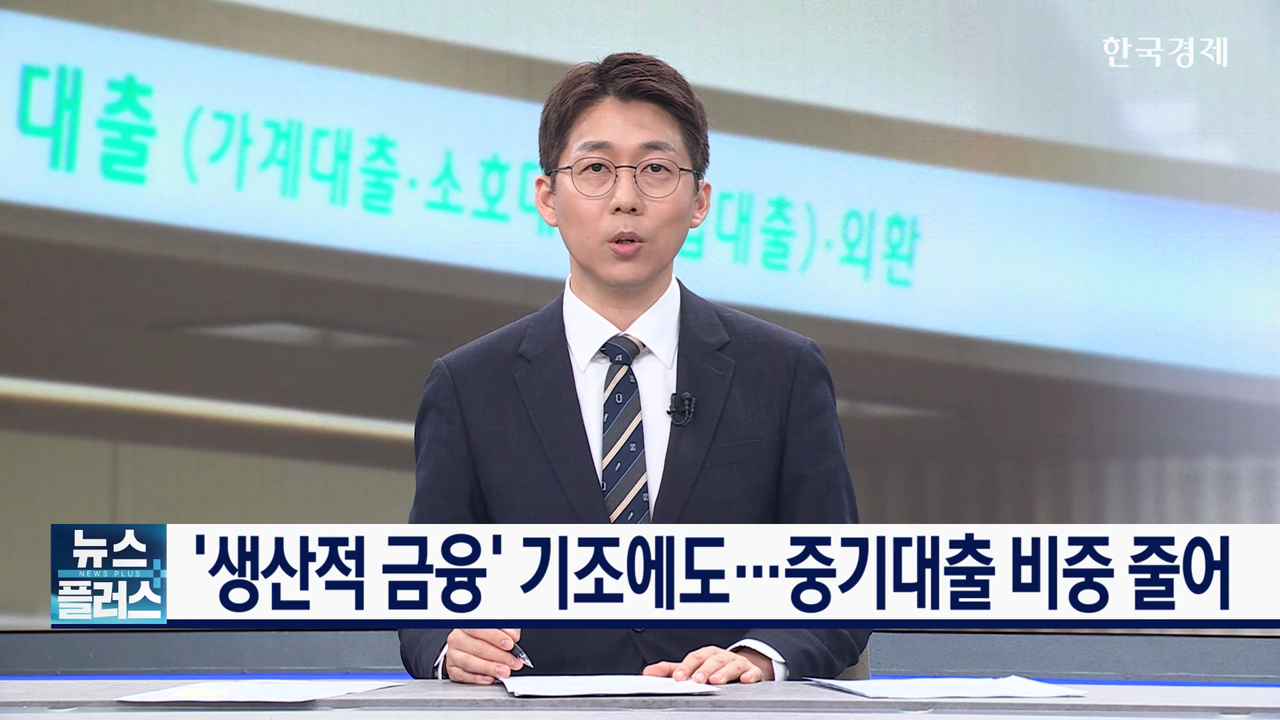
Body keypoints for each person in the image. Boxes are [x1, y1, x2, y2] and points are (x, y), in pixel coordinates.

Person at [399, 52, 868, 685]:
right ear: (548, 197)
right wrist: (448, 645)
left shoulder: (782, 373)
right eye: (595, 169)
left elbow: (842, 587)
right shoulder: (469, 385)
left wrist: (759, 657)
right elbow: (423, 596)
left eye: (656, 170)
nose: (626, 198)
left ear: (699, 200)